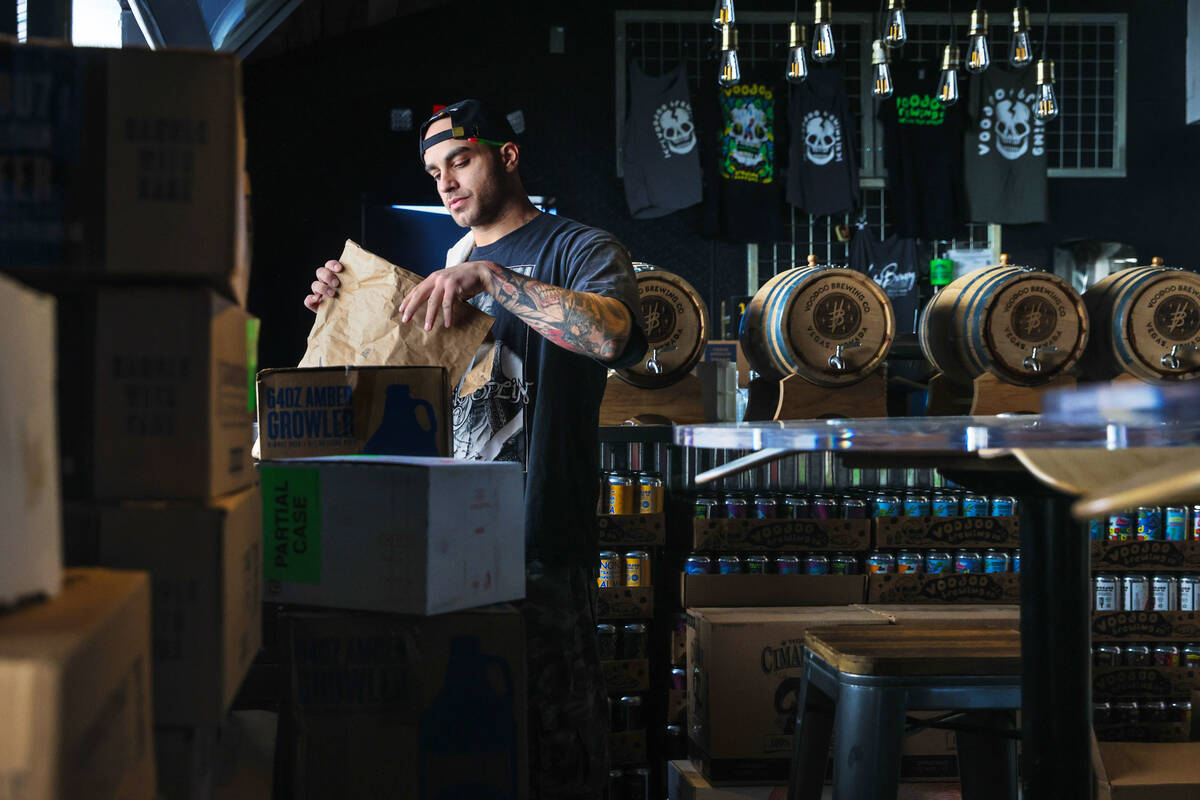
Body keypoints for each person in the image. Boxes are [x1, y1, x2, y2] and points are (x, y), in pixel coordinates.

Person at [305, 99, 648, 799]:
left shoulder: (578, 249)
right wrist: (346, 312)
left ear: (507, 157)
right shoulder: (451, 263)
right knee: (471, 761)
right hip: (451, 553)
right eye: (434, 171)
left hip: (541, 549)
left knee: (558, 760)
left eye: (460, 160)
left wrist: (495, 282)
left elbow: (612, 337)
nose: (446, 181)